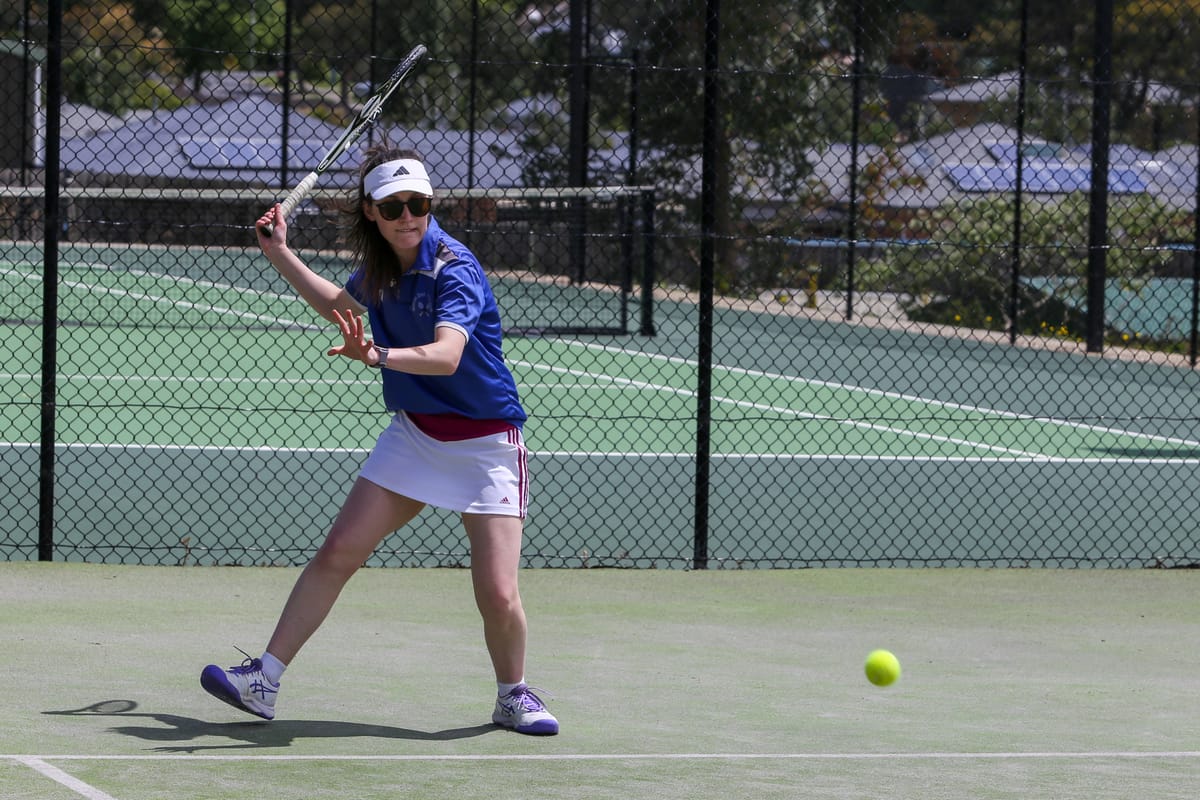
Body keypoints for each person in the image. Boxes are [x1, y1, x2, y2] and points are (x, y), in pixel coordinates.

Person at [199, 145, 558, 736]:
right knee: (338, 551)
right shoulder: (380, 266)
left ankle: (512, 694)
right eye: (394, 208)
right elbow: (342, 307)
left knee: (497, 591)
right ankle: (262, 680)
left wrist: (379, 355)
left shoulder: (454, 266)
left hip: (487, 444)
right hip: (416, 435)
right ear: (371, 211)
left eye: (419, 204)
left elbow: (446, 356)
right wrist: (280, 254)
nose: (409, 217)